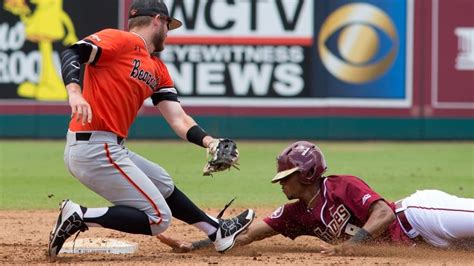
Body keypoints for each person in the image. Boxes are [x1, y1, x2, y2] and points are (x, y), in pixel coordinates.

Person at [47, 0, 255, 258]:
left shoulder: (157, 68)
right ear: (157, 19)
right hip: (94, 147)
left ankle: (217, 231)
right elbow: (72, 53)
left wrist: (209, 141)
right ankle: (80, 215)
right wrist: (75, 92)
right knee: (158, 219)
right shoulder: (120, 40)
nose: (169, 32)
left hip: (108, 147)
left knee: (162, 182)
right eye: (168, 25)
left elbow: (178, 119)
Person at [163, 141, 474, 254]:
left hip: (418, 217)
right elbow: (244, 237)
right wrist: (198, 246)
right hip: (426, 245)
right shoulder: (295, 214)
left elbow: (385, 214)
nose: (280, 183)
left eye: (286, 177)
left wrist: (351, 248)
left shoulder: (342, 186)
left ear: (307, 174)